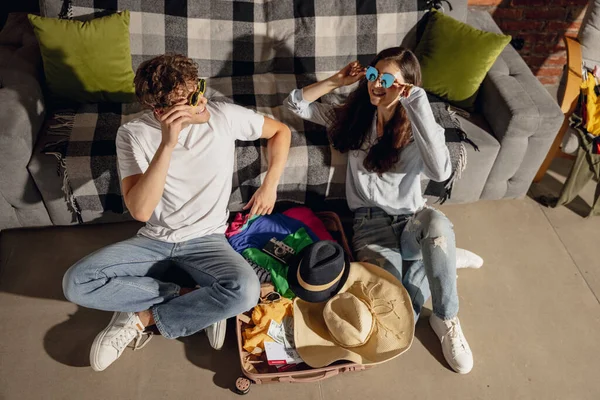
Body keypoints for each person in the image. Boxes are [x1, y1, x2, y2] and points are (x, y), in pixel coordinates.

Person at [62, 54, 291, 372]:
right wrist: (167, 145)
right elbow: (141, 210)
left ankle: (142, 316)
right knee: (75, 283)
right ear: (160, 111)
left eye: (199, 91)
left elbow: (281, 132)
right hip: (153, 240)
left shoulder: (222, 116)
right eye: (190, 102)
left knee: (247, 291)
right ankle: (194, 298)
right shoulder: (133, 135)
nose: (202, 103)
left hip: (207, 240)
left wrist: (270, 185)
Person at [285, 47, 474, 374]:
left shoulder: (418, 128)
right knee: (399, 317)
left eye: (389, 80)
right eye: (374, 75)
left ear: (407, 87)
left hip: (412, 222)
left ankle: (445, 317)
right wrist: (336, 81)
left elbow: (442, 172)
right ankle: (440, 261)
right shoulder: (354, 116)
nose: (377, 84)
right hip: (369, 225)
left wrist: (416, 103)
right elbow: (295, 103)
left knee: (438, 228)